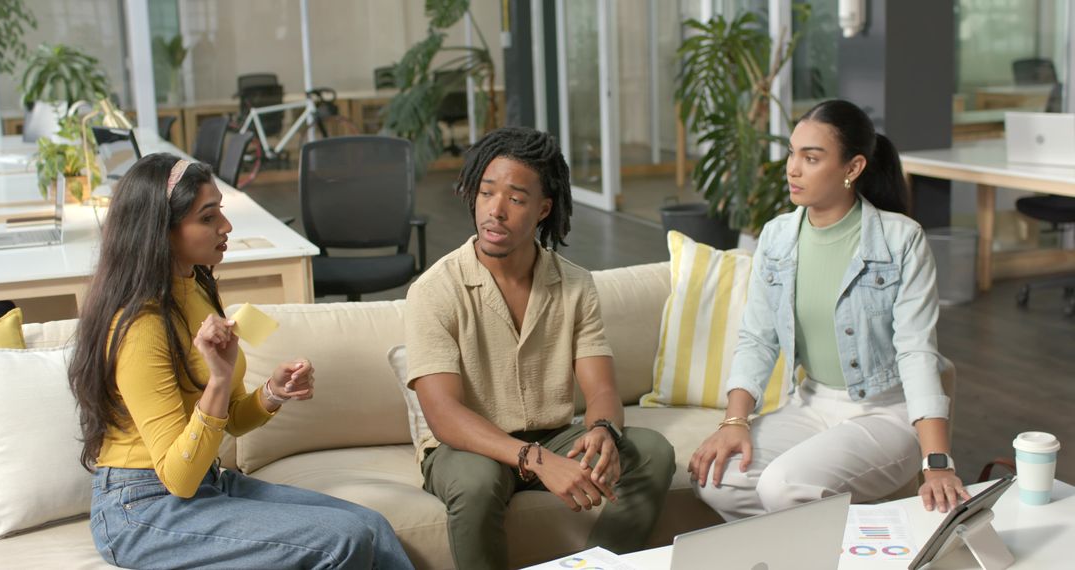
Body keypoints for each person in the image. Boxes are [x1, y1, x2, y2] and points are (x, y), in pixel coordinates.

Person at [68, 153, 414, 570]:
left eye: (221, 213)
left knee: (370, 524)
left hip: (205, 485)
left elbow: (228, 421)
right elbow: (178, 479)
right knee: (344, 538)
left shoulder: (195, 285)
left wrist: (271, 394)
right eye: (208, 217)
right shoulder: (140, 327)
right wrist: (218, 380)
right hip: (142, 509)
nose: (226, 227)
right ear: (161, 229)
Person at [404, 127, 675, 569]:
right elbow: (444, 415)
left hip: (552, 434)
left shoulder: (575, 284)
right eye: (486, 192)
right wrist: (536, 459)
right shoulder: (435, 290)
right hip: (467, 448)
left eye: (515, 198)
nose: (495, 211)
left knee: (652, 452)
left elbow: (601, 387)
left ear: (543, 208)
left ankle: (596, 566)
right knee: (476, 481)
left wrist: (603, 429)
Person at [688, 99, 970, 521]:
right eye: (792, 153)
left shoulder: (901, 239)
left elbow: (917, 351)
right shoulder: (777, 236)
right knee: (715, 478)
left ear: (852, 168)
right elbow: (757, 338)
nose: (793, 168)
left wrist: (937, 462)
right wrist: (734, 423)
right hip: (811, 403)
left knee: (783, 486)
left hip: (886, 413)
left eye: (811, 157)